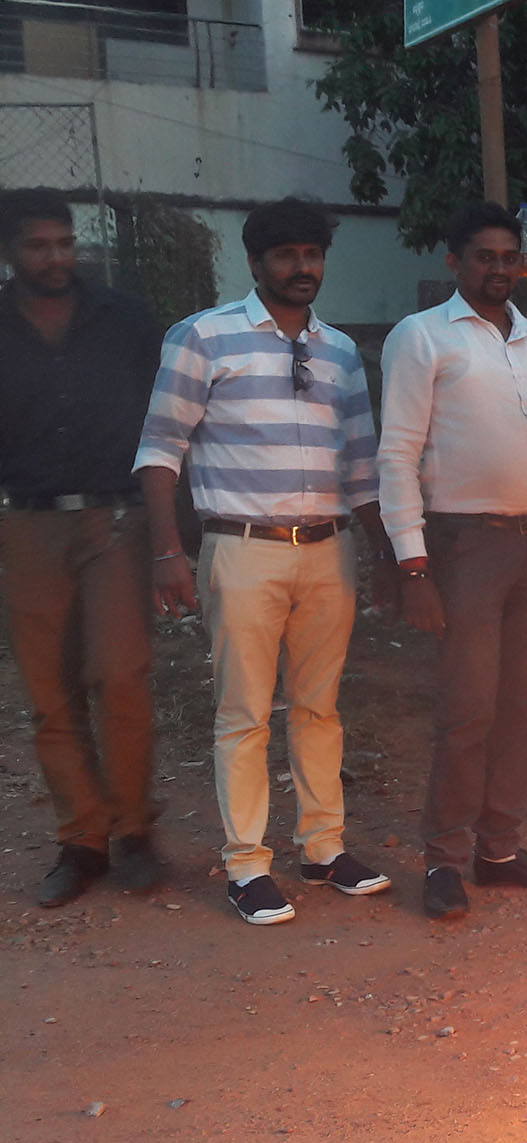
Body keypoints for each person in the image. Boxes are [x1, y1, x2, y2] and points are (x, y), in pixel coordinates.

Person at [134, 198, 395, 924]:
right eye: (286, 255)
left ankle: (323, 847)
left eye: (312, 254)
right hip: (241, 549)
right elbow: (160, 451)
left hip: (327, 549)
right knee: (244, 711)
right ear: (254, 262)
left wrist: (381, 552)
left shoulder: (340, 351)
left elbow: (363, 466)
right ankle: (247, 865)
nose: (302, 266)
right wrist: (167, 551)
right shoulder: (203, 338)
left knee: (320, 707)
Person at [378, 202, 527, 920]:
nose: (500, 268)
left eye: (511, 257)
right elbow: (396, 454)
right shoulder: (422, 339)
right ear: (455, 261)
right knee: (468, 709)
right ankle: (445, 859)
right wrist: (413, 567)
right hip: (465, 544)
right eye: (485, 256)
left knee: (520, 705)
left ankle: (499, 850)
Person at [0, 189, 166, 907]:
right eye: (39, 245)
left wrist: (170, 531)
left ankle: (134, 832)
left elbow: (170, 414)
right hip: (25, 524)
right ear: (11, 252)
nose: (56, 257)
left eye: (64, 242)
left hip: (113, 522)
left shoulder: (124, 318)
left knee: (122, 674)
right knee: (49, 691)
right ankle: (82, 839)